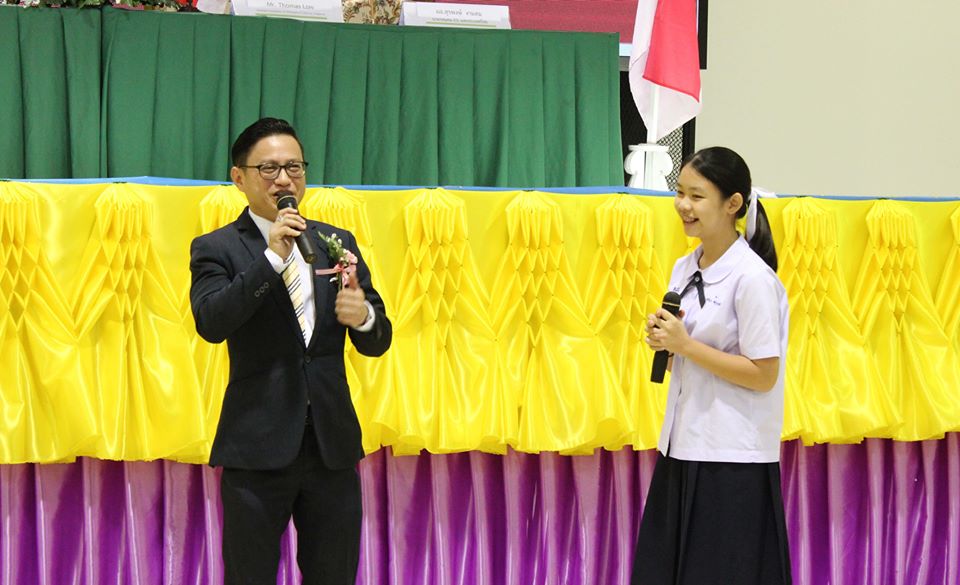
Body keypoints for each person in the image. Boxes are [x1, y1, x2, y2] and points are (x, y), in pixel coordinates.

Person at [189, 117, 392, 585]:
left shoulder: (334, 243)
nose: (284, 180)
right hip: (256, 447)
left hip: (331, 447)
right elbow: (212, 323)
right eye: (269, 169)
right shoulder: (217, 248)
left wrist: (362, 316)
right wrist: (272, 259)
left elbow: (378, 339)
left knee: (334, 575)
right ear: (239, 178)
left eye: (294, 167)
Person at [632, 146, 791, 585]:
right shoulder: (684, 267)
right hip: (681, 447)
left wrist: (686, 345)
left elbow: (764, 375)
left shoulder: (753, 279)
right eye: (680, 192)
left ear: (732, 204)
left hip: (731, 457)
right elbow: (692, 355)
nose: (683, 205)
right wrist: (666, 343)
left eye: (697, 196)